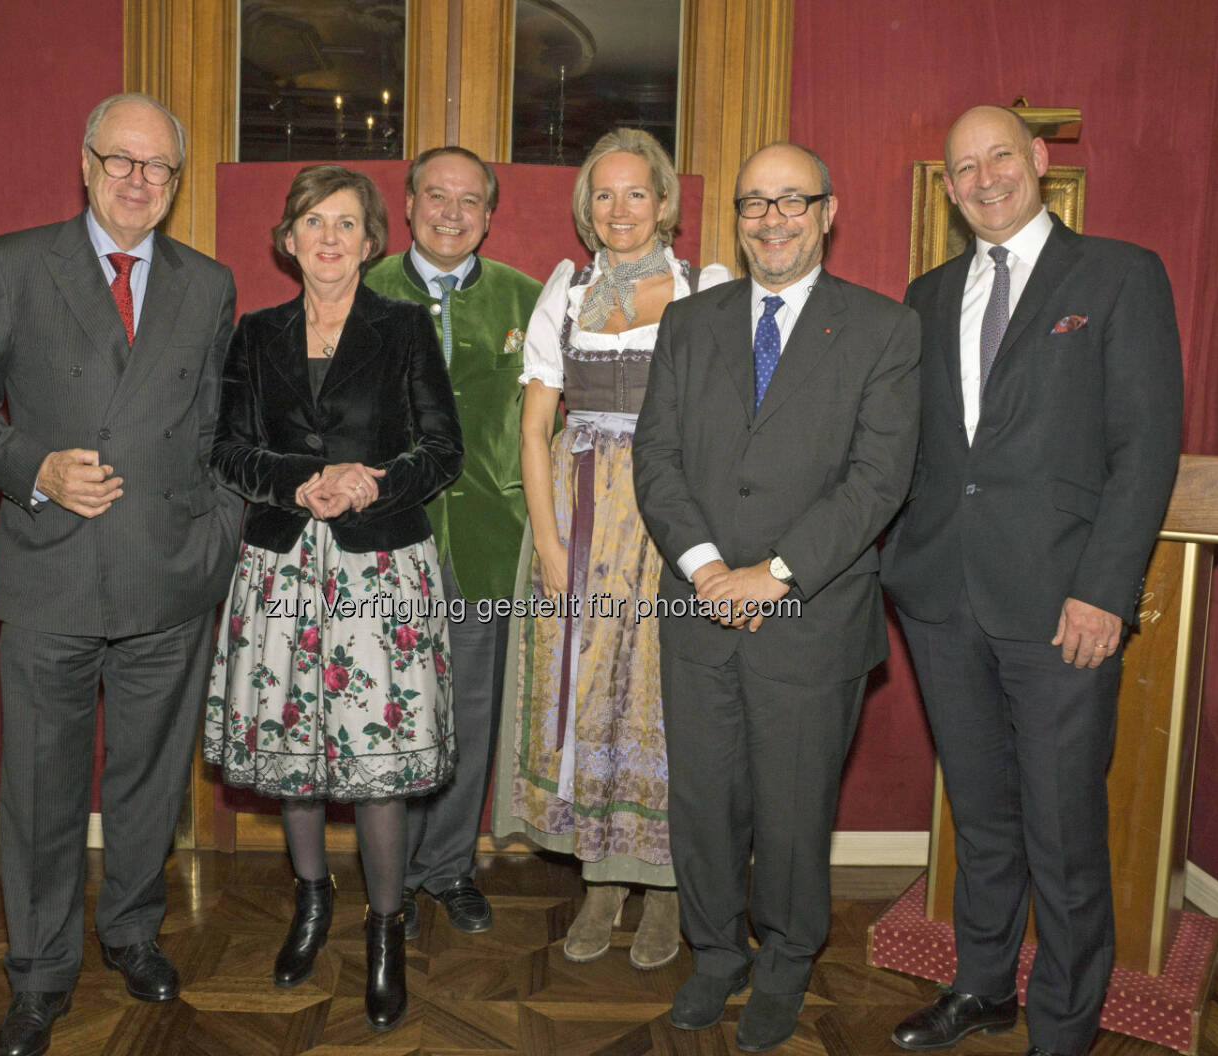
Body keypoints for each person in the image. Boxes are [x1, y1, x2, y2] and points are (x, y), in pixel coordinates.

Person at [0, 92, 239, 1056]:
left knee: (148, 785)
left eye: (159, 167)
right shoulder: (15, 263)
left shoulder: (210, 283)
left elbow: (222, 429)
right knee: (41, 792)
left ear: (176, 183)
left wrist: (218, 530)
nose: (140, 180)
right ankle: (39, 977)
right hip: (52, 575)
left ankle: (133, 933)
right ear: (85, 163)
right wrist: (36, 469)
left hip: (167, 575)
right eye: (122, 161)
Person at [881, 105, 1183, 1056]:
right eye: (962, 168)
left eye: (999, 158)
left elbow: (1144, 451)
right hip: (942, 600)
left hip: (1064, 608)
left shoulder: (1120, 275)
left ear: (1040, 162)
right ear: (948, 186)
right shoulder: (924, 297)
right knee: (980, 813)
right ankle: (982, 987)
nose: (983, 179)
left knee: (1063, 829)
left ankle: (1063, 1024)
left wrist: (1105, 590)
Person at [633, 142, 920, 1051]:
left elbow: (880, 480)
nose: (772, 219)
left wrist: (777, 573)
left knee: (796, 811)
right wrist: (709, 567)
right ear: (738, 219)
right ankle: (716, 952)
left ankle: (788, 958)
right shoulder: (690, 323)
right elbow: (658, 458)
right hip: (700, 606)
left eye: (792, 201)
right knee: (704, 802)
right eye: (755, 203)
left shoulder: (882, 329)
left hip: (812, 615)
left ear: (828, 212)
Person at [202, 163, 463, 1033]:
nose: (328, 238)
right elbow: (229, 451)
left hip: (379, 569)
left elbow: (442, 452)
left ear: (370, 239)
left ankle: (386, 928)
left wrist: (368, 485)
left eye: (347, 223)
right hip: (280, 564)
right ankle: (311, 902)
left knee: (376, 760)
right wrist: (302, 480)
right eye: (313, 221)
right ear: (287, 237)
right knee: (295, 753)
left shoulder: (403, 327)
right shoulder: (256, 331)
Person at [492, 127, 730, 970]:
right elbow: (532, 426)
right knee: (587, 693)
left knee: (664, 702)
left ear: (665, 202)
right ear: (585, 209)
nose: (620, 210)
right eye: (604, 194)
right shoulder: (567, 287)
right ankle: (601, 880)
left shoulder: (710, 287)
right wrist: (551, 546)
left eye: (637, 193)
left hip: (672, 516)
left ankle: (665, 888)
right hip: (581, 514)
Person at [363, 146, 541, 937]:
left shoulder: (528, 301)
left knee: (470, 710)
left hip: (485, 544)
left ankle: (448, 867)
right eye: (438, 196)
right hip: (380, 545)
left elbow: (553, 424)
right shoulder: (360, 292)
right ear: (407, 204)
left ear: (490, 215)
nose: (453, 213)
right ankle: (386, 878)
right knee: (386, 712)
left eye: (471, 201)